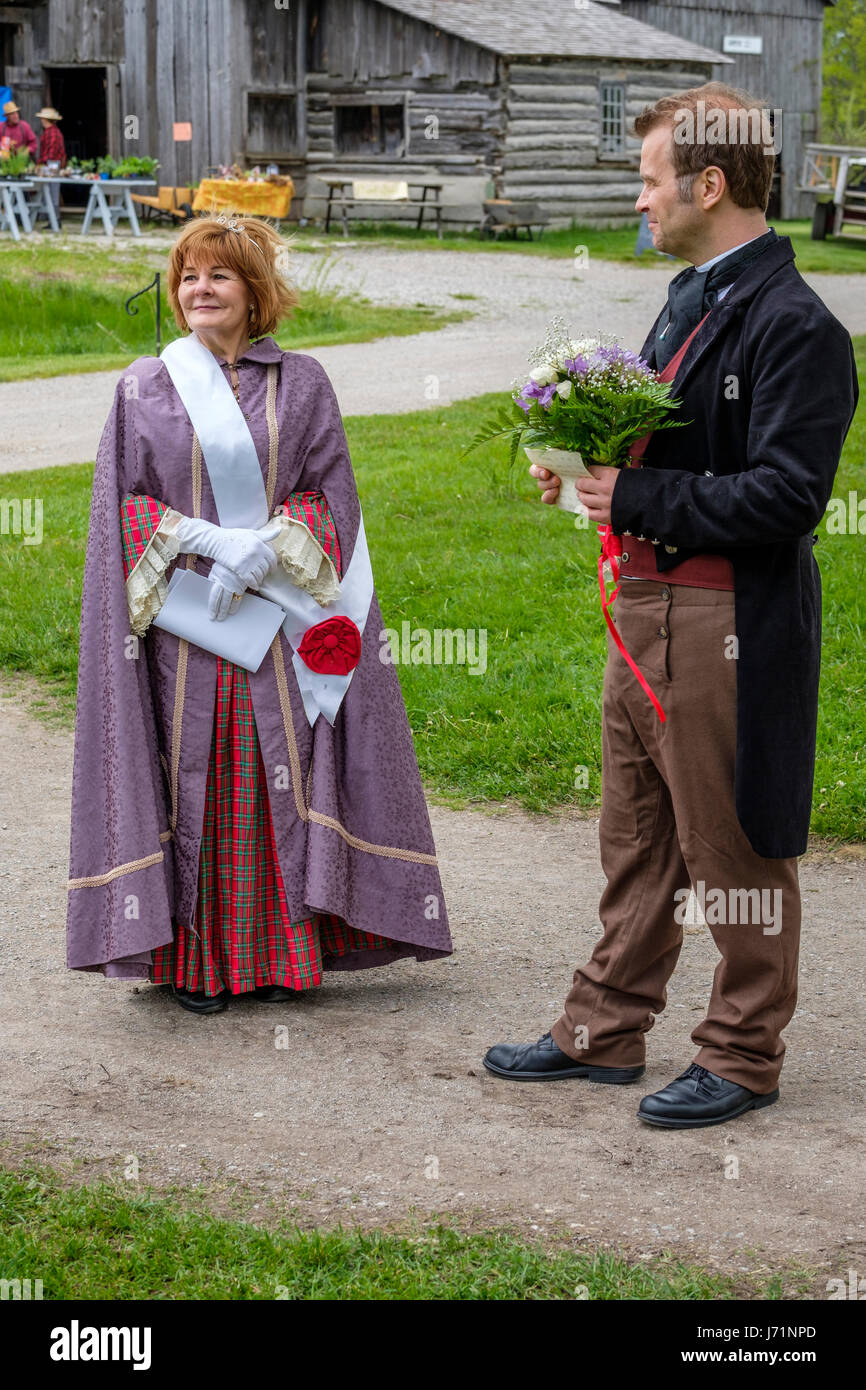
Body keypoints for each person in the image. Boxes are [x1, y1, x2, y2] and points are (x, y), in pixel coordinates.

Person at [484, 83, 858, 1128]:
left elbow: (788, 496)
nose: (637, 201)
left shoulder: (796, 326)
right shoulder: (689, 298)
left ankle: (740, 1054)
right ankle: (604, 1028)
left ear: (706, 181)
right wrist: (584, 466)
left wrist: (636, 491)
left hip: (722, 618)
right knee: (637, 833)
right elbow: (676, 443)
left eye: (648, 180)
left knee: (728, 842)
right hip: (642, 605)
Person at [66, 213, 453, 1014]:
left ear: (255, 294)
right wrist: (200, 536)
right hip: (185, 622)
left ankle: (282, 954)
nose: (198, 290)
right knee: (194, 781)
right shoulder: (144, 385)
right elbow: (120, 506)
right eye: (187, 277)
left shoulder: (303, 382)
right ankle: (195, 965)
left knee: (271, 779)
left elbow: (329, 493)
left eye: (219, 276)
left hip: (276, 622)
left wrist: (271, 541)